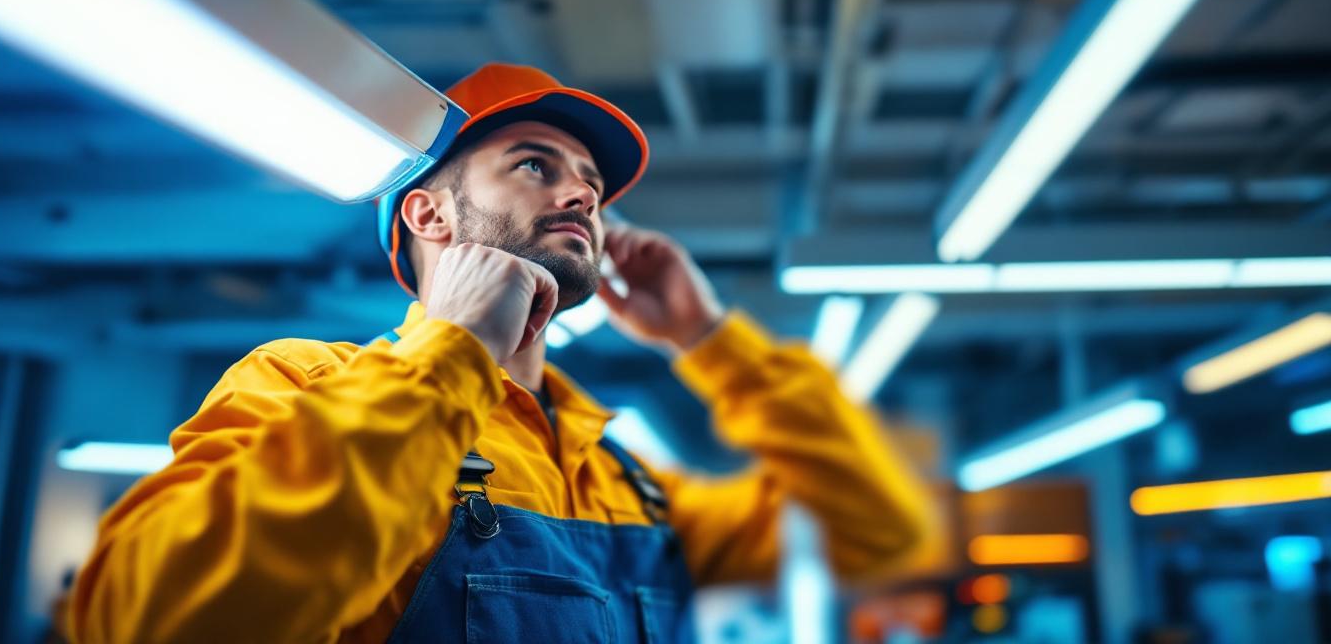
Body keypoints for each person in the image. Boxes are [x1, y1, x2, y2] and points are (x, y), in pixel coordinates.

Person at [65, 64, 934, 643]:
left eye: (590, 184)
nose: (580, 195)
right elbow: (152, 622)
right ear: (428, 215)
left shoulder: (618, 478)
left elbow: (880, 528)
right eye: (533, 165)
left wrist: (710, 341)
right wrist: (451, 357)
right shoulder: (299, 384)